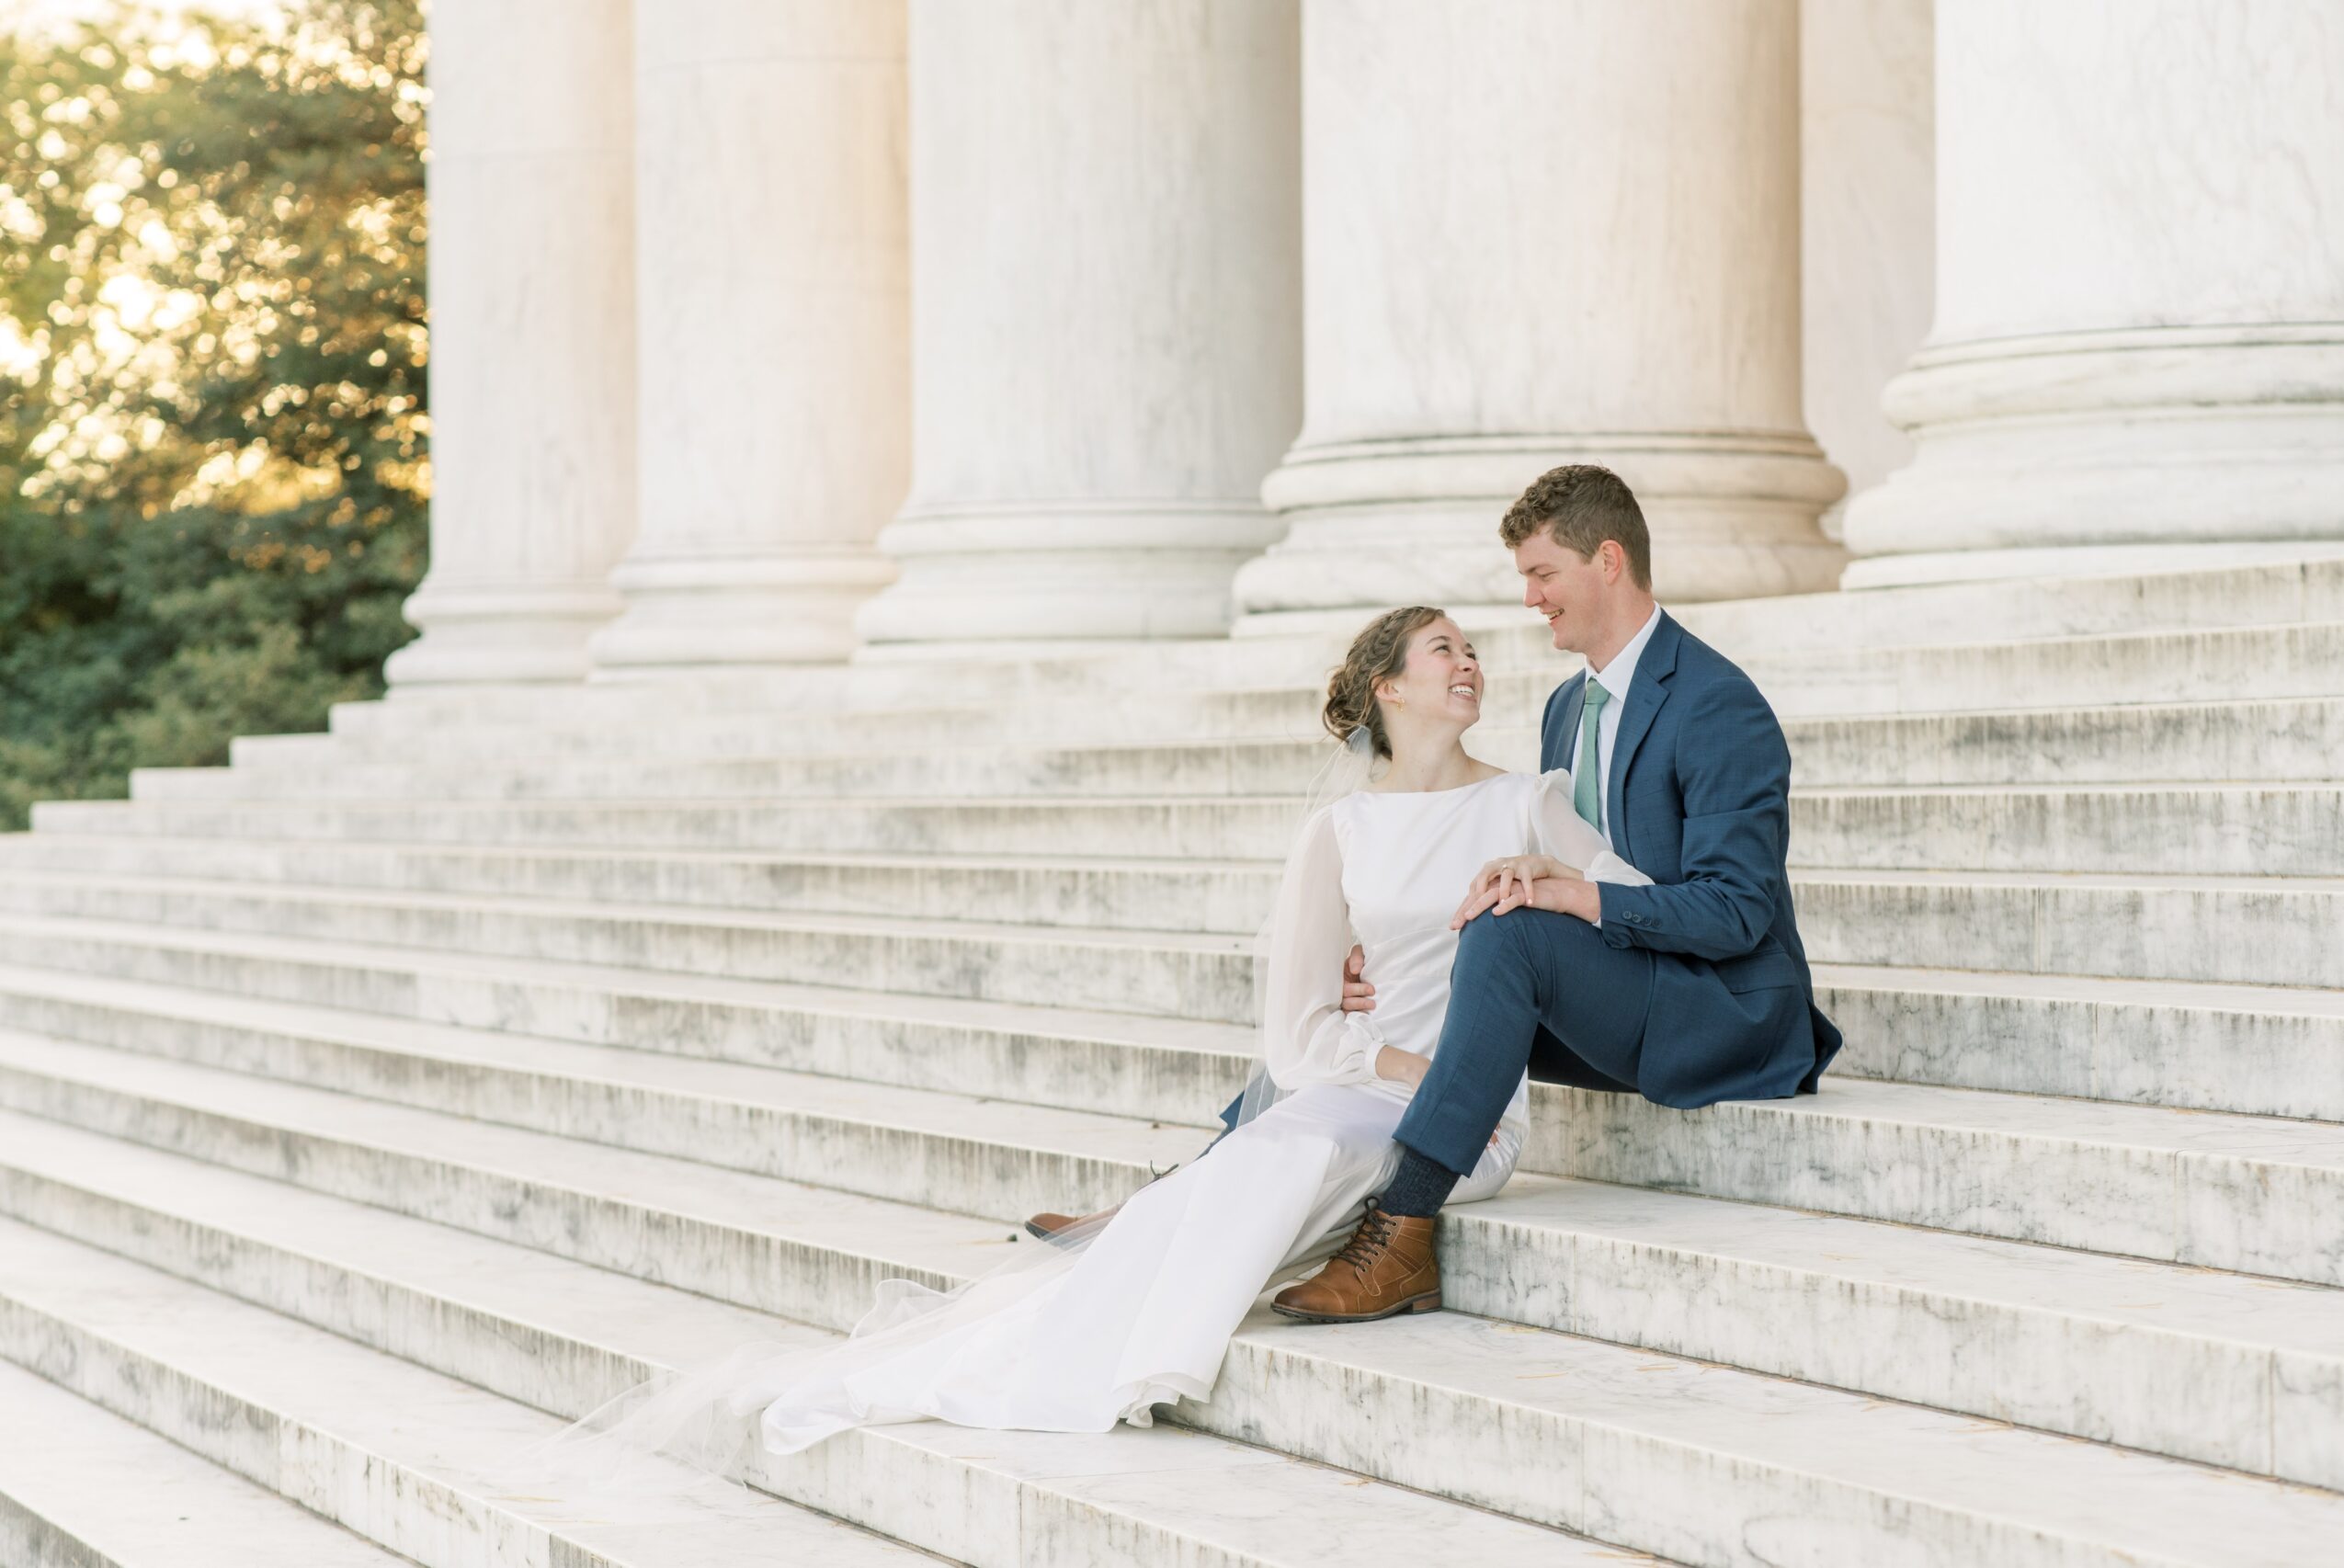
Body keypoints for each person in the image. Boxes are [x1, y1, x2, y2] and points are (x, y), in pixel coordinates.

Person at [539, 605, 1648, 1476]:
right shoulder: (1339, 829)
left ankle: (1143, 1340)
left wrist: (1550, 883)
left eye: (1471, 649)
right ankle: (1063, 1339)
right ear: (1388, 687)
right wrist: (1390, 1060)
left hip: (1471, 1117)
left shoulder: (1529, 800)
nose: (1468, 664)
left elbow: (1636, 911)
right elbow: (1300, 1032)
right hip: (1361, 1084)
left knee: (1297, 1153)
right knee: (1273, 1147)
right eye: (1441, 648)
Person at [1031, 462, 1843, 1325]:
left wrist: (1571, 893)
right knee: (1378, 1005)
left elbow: (1735, 912)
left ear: (1608, 560)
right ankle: (1182, 1194)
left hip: (1722, 1009)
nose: (1529, 599)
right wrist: (1387, 954)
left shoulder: (1719, 704)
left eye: (1541, 574)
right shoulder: (1570, 707)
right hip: (1620, 978)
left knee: (1509, 928)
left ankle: (1405, 1226)